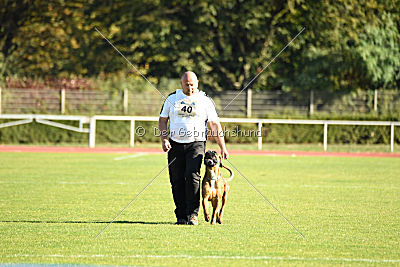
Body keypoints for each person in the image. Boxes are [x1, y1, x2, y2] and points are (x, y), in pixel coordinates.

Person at [158, 71, 229, 225]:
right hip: (175, 144)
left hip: (196, 143)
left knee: (193, 177)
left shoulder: (205, 100)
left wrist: (222, 147)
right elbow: (163, 120)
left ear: (197, 83)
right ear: (181, 83)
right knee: (176, 180)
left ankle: (193, 214)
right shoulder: (172, 99)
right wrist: (164, 139)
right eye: (186, 84)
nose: (190, 87)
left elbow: (214, 125)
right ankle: (181, 216)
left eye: (192, 84)